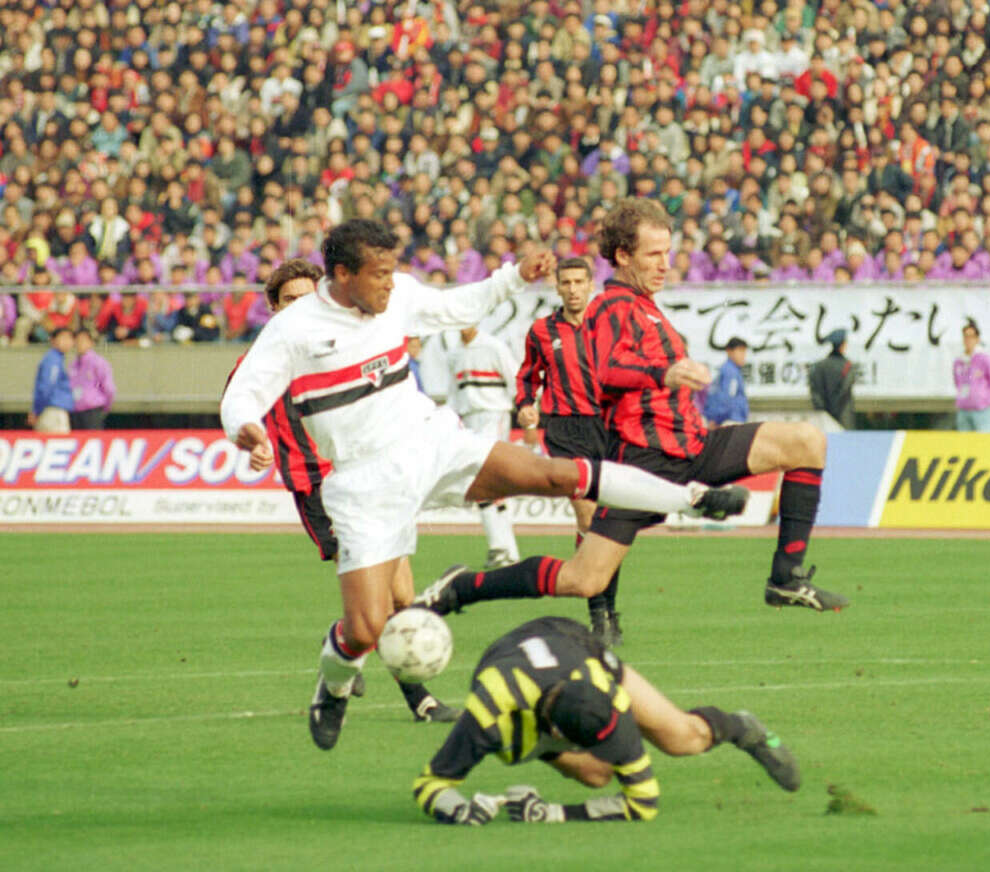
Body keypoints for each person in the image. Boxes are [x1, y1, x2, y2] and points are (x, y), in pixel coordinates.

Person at [221, 219, 746, 754]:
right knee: (365, 628)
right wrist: (245, 427)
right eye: (378, 274)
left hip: (431, 442)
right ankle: (332, 688)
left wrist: (514, 277)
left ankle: (693, 497)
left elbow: (460, 307)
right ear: (342, 274)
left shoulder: (396, 294)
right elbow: (242, 396)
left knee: (555, 474)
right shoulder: (293, 330)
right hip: (364, 483)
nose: (389, 283)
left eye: (391, 270)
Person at [418, 199, 847, 620]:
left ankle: (786, 578)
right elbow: (605, 371)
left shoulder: (645, 306)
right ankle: (461, 588)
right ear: (623, 256)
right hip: (642, 467)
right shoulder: (610, 306)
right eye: (654, 254)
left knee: (806, 442)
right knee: (582, 580)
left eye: (669, 253)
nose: (665, 264)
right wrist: (665, 374)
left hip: (694, 449)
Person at [229, 258, 458, 728]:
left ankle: (342, 643)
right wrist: (255, 444)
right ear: (273, 307)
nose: (298, 308)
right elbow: (242, 410)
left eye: (305, 298)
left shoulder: (341, 344)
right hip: (321, 488)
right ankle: (418, 698)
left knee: (401, 594)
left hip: (372, 475)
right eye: (287, 300)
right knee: (388, 596)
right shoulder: (265, 361)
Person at [412, 615, 800, 825]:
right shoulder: (490, 713)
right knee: (595, 774)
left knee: (681, 739)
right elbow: (429, 785)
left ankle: (741, 727)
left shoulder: (605, 694)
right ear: (561, 736)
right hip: (515, 671)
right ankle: (550, 751)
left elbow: (644, 804)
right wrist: (459, 811)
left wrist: (551, 814)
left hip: (574, 646)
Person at [515, 257, 625, 646]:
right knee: (589, 514)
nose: (574, 288)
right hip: (565, 429)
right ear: (557, 287)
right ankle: (599, 616)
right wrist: (526, 402)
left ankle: (609, 607)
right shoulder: (542, 331)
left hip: (609, 426)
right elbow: (528, 376)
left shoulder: (610, 326)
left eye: (580, 281)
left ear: (591, 284)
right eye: (567, 282)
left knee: (613, 524)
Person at [446, 324, 522, 569]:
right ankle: (505, 550)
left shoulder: (493, 346)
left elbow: (515, 380)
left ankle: (501, 548)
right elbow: (454, 395)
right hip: (470, 420)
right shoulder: (455, 353)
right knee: (483, 485)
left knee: (487, 477)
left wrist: (525, 414)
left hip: (493, 414)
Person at [953, 319, 990, 432]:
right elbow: (957, 382)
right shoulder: (959, 361)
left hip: (982, 409)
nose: (968, 340)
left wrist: (988, 399)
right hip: (964, 408)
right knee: (964, 446)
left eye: (971, 336)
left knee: (984, 444)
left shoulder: (985, 359)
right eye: (965, 336)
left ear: (977, 339)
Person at [29, 327, 75, 433]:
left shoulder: (59, 358)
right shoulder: (52, 359)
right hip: (52, 411)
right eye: (63, 338)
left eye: (70, 338)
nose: (67, 342)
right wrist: (37, 411)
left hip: (53, 410)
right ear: (53, 340)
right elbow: (47, 386)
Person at [808, 329, 856, 430]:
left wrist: (824, 410)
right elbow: (844, 390)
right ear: (843, 345)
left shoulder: (818, 366)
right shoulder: (848, 366)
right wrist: (835, 409)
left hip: (824, 420)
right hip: (844, 420)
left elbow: (815, 393)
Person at [69, 328, 116, 430]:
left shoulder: (98, 362)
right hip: (76, 410)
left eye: (83, 341)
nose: (79, 344)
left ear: (90, 343)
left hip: (92, 409)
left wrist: (106, 406)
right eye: (77, 341)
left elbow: (108, 387)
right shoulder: (74, 364)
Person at [703, 337, 750, 428]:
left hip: (730, 420)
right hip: (730, 421)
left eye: (744, 352)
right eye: (740, 351)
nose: (743, 355)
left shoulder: (731, 370)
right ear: (729, 351)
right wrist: (716, 420)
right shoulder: (730, 371)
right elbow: (727, 398)